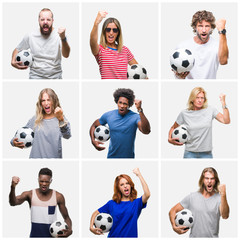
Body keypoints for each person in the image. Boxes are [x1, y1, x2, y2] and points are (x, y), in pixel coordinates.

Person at [9, 168, 73, 238]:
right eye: (41, 181)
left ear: (51, 181)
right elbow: (13, 202)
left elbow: (66, 218)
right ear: (38, 180)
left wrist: (70, 230)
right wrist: (13, 187)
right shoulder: (30, 194)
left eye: (47, 182)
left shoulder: (58, 196)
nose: (44, 184)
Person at [168, 87, 230, 158]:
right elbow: (173, 127)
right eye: (197, 98)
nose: (200, 100)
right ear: (192, 99)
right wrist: (169, 139)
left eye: (202, 98)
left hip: (207, 154)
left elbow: (226, 121)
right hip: (190, 153)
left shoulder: (211, 110)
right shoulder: (184, 113)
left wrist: (223, 103)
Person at [90, 88, 151, 158]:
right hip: (111, 157)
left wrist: (140, 110)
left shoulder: (135, 117)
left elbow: (146, 131)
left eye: (125, 104)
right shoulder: (108, 115)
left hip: (129, 158)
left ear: (129, 105)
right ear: (117, 102)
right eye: (120, 102)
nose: (122, 106)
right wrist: (93, 141)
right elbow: (94, 125)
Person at [169, 167, 229, 238]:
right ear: (202, 180)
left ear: (215, 181)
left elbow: (225, 216)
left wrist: (224, 195)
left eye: (212, 178)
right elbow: (172, 211)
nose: (209, 181)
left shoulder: (219, 198)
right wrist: (174, 226)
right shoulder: (192, 197)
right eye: (206, 178)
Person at [11, 88, 71, 158]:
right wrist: (13, 142)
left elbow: (67, 136)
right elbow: (21, 133)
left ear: (54, 101)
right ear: (40, 103)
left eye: (49, 100)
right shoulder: (35, 119)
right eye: (43, 100)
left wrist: (61, 119)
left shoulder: (60, 117)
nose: (46, 103)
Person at [90, 168, 150, 237]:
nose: (125, 186)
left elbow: (147, 194)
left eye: (127, 183)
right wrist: (91, 227)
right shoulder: (111, 203)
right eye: (122, 185)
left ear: (130, 185)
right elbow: (95, 213)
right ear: (119, 188)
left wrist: (139, 174)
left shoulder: (136, 203)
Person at [11, 8, 70, 79]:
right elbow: (17, 49)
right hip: (35, 76)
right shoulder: (30, 35)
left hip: (55, 77)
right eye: (42, 19)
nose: (45, 22)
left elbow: (66, 55)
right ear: (38, 21)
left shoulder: (59, 35)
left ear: (52, 21)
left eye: (48, 19)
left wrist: (63, 38)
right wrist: (12, 61)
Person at [173, 10, 228, 79]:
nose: (204, 30)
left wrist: (222, 30)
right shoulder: (182, 47)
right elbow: (178, 76)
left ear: (211, 28)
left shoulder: (217, 45)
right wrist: (179, 77)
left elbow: (223, 61)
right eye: (200, 26)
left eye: (207, 26)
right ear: (195, 27)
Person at [90, 11, 140, 79]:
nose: (111, 33)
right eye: (108, 30)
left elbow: (139, 70)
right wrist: (96, 23)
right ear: (104, 32)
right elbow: (92, 42)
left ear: (118, 33)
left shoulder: (125, 50)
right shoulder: (100, 50)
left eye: (115, 30)